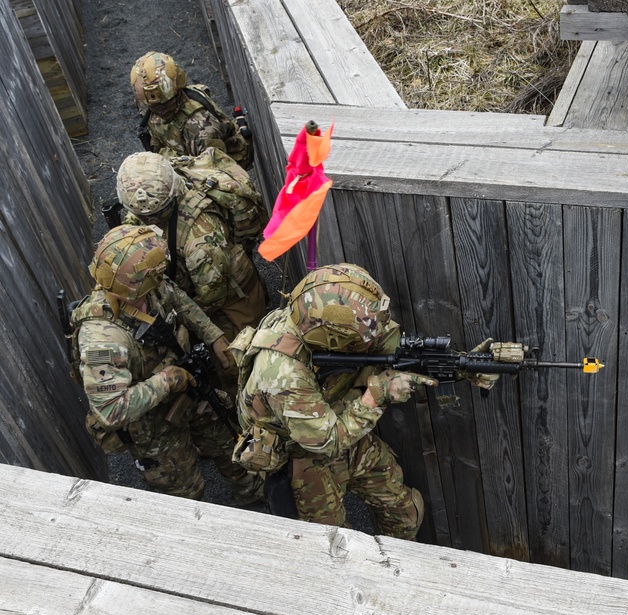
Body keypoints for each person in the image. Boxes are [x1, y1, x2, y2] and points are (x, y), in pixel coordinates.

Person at [229, 264, 441, 538]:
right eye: (362, 340)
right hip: (301, 454)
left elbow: (390, 347)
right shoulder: (283, 374)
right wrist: (376, 396)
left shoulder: (317, 315)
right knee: (332, 545)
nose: (374, 338)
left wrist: (460, 367)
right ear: (332, 340)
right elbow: (326, 441)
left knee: (406, 512)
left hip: (333, 419)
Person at [71, 225, 262, 504]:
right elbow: (109, 411)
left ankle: (250, 493)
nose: (160, 276)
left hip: (187, 385)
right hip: (152, 422)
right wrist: (167, 380)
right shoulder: (102, 339)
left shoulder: (148, 289)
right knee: (183, 491)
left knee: (226, 435)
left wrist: (214, 336)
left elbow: (180, 301)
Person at [115, 151, 266, 343]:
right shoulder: (159, 195)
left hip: (230, 298)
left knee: (232, 360)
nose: (147, 220)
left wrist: (182, 320)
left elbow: (213, 295)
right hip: (195, 280)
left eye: (154, 216)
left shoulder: (200, 240)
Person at [131, 51, 253, 170]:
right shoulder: (151, 106)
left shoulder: (201, 129)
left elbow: (219, 177)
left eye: (166, 104)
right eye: (154, 106)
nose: (160, 111)